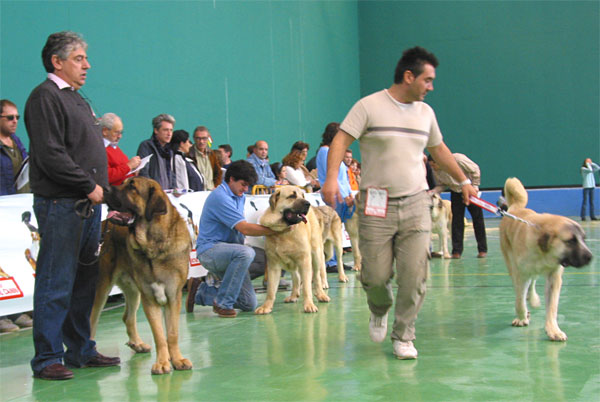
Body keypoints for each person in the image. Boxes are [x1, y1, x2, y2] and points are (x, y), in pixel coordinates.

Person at [321, 46, 477, 360]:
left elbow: (439, 150)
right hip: (376, 203)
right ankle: (379, 308)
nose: (431, 87)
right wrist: (329, 178)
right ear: (409, 76)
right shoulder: (369, 106)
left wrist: (463, 181)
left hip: (417, 202)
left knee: (414, 274)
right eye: (427, 80)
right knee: (376, 275)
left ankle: (404, 334)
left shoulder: (426, 114)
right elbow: (341, 140)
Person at [24, 31, 120, 380]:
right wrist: (89, 186)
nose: (87, 65)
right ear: (57, 61)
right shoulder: (44, 97)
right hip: (62, 204)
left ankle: (80, 350)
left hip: (87, 206)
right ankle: (47, 357)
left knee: (84, 281)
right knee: (56, 280)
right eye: (79, 58)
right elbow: (51, 156)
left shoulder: (77, 98)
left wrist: (103, 196)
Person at [186, 160, 282, 317]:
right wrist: (277, 230)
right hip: (210, 251)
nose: (245, 189)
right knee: (247, 253)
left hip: (229, 253)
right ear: (231, 179)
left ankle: (200, 292)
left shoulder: (239, 196)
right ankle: (223, 303)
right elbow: (244, 228)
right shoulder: (220, 197)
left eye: (248, 186)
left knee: (249, 303)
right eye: (243, 184)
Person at [429, 153, 488, 259]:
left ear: (439, 161)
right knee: (456, 221)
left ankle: (482, 249)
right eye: (431, 166)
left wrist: (475, 186)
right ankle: (456, 251)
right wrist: (432, 192)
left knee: (477, 219)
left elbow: (475, 169)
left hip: (470, 191)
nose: (433, 168)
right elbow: (441, 185)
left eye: (434, 165)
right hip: (455, 191)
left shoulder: (458, 159)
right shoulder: (436, 171)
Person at [99, 112, 140, 186]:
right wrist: (129, 166)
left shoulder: (114, 147)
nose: (120, 136)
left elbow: (123, 169)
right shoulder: (100, 149)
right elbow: (107, 176)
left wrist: (134, 169)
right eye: (116, 132)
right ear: (104, 131)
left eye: (121, 132)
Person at [137, 114, 176, 189]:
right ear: (156, 130)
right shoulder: (146, 146)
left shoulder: (169, 150)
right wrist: (153, 190)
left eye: (171, 130)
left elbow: (172, 174)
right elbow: (143, 172)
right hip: (152, 195)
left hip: (167, 195)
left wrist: (174, 189)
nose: (169, 134)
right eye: (165, 130)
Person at [0, 99, 28, 195]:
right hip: (4, 204)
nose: (15, 121)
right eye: (10, 117)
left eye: (17, 117)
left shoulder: (16, 141)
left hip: (22, 201)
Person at [188, 126, 222, 190]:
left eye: (204, 138)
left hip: (211, 192)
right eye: (198, 138)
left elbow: (218, 172)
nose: (201, 141)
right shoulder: (189, 154)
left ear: (208, 138)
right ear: (194, 139)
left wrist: (216, 186)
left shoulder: (212, 154)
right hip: (196, 194)